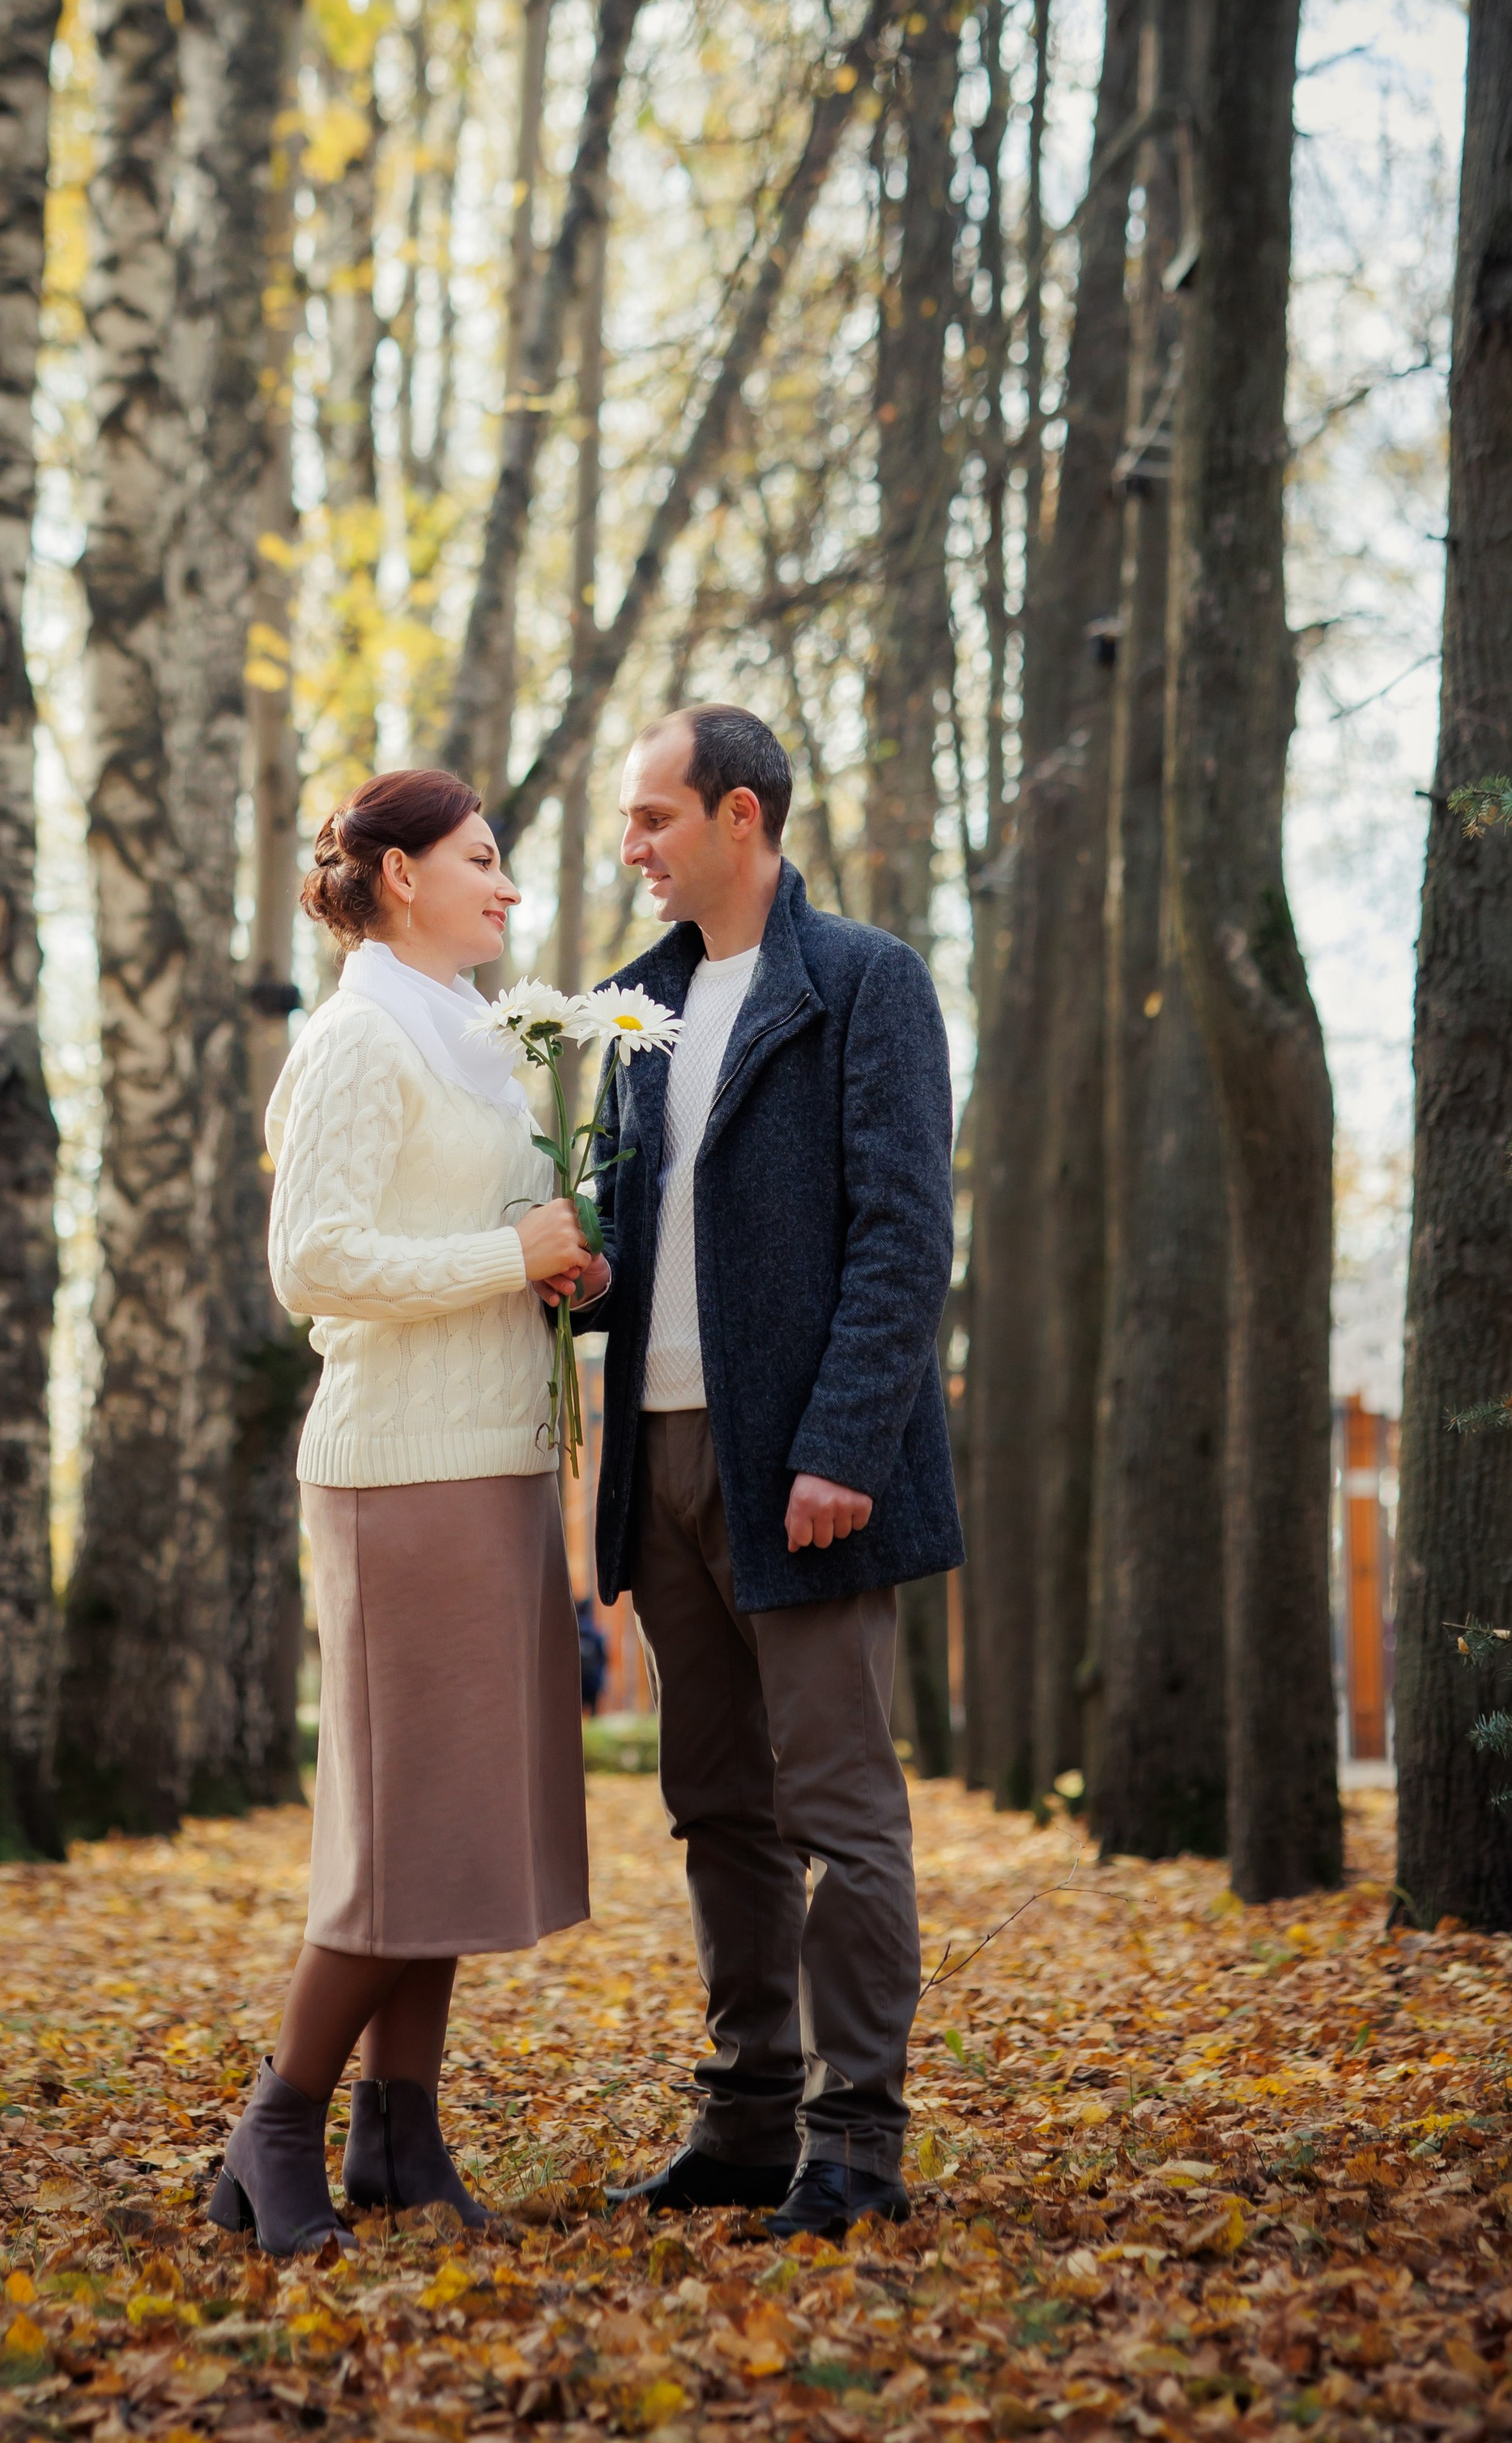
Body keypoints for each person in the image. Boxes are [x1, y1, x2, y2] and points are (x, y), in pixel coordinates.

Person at [207, 769, 607, 2256]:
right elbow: (311, 1263)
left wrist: (564, 1273)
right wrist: (511, 1256)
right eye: (481, 860)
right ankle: (278, 2122)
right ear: (394, 877)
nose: (508, 888)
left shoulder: (482, 1047)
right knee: (396, 1834)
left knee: (447, 1828)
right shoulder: (359, 1037)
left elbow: (475, 1241)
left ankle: (401, 2132)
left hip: (496, 1458)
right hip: (397, 1471)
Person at [584, 705, 960, 2240]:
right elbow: (625, 1233)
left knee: (840, 1805)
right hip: (658, 1457)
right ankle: (748, 2121)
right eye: (629, 822)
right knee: (719, 1802)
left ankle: (857, 2137)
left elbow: (903, 1234)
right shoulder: (625, 1009)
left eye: (655, 818)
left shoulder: (865, 983)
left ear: (742, 815)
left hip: (802, 1463)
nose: (633, 850)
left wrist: (840, 1447)